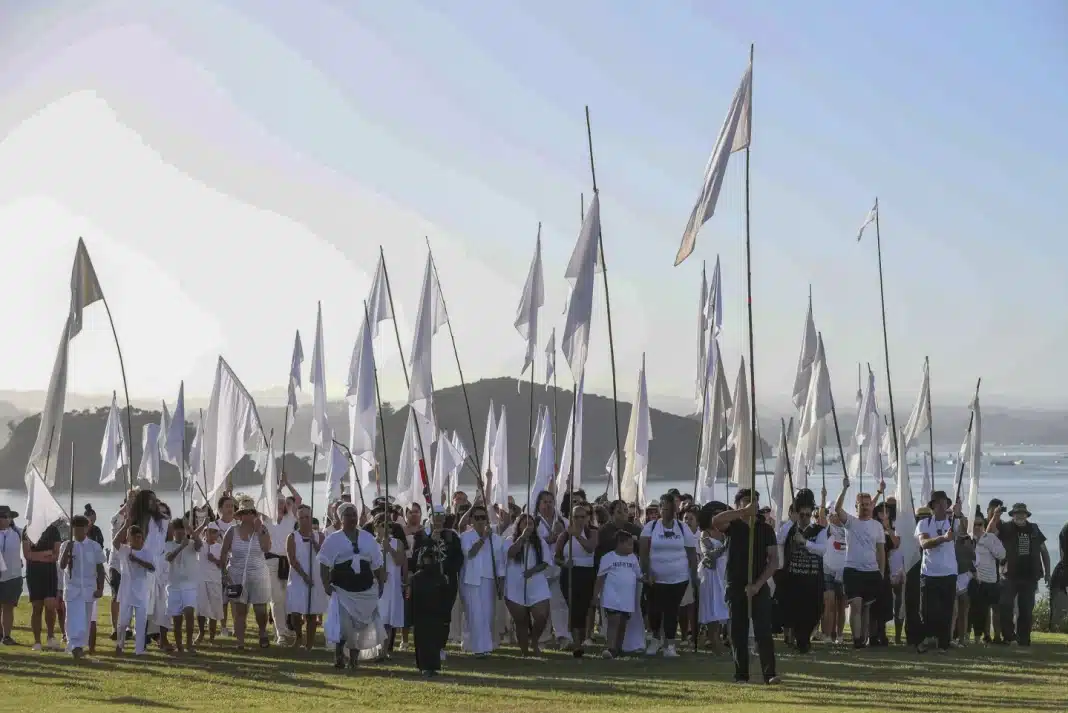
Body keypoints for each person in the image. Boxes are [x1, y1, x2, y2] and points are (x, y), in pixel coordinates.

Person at [711, 489, 780, 685]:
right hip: (736, 585)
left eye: (755, 501)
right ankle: (741, 675)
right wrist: (742, 513)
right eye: (748, 501)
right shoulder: (732, 525)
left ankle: (770, 674)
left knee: (763, 631)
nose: (753, 504)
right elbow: (716, 521)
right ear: (739, 504)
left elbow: (774, 561)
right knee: (738, 632)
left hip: (758, 585)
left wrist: (758, 585)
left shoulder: (765, 529)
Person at [319, 502, 386, 669]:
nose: (352, 518)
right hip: (343, 590)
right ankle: (339, 654)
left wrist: (381, 582)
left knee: (360, 627)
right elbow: (324, 563)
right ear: (340, 518)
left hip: (365, 590)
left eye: (354, 514)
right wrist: (326, 584)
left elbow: (377, 563)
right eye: (348, 515)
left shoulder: (367, 538)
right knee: (344, 626)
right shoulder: (333, 539)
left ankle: (354, 659)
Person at [639, 493, 698, 658]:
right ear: (660, 509)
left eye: (670, 508)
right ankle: (656, 639)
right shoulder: (650, 528)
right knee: (654, 611)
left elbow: (691, 554)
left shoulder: (682, 528)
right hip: (655, 579)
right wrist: (646, 572)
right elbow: (643, 554)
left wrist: (693, 577)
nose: (666, 511)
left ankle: (670, 645)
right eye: (663, 507)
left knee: (672, 611)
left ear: (675, 510)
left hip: (679, 578)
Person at [834, 476, 886, 649]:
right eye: (861, 504)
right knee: (855, 605)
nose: (864, 507)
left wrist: (882, 572)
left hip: (872, 572)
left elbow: (880, 551)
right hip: (853, 570)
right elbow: (837, 508)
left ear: (871, 505)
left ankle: (864, 637)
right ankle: (857, 641)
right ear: (856, 506)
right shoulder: (851, 522)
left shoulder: (877, 526)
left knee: (866, 608)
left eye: (867, 504)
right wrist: (844, 489)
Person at [219, 496, 272, 650]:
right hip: (236, 575)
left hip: (258, 574)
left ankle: (262, 633)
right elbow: (223, 553)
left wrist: (260, 530)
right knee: (239, 610)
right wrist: (224, 573)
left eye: (251, 512)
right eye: (245, 512)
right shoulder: (232, 531)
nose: (248, 515)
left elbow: (266, 548)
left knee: (260, 610)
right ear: (240, 515)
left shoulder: (262, 530)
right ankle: (240, 642)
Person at [778, 489, 827, 654]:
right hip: (793, 578)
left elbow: (822, 550)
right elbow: (778, 539)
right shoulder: (789, 529)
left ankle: (803, 640)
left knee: (813, 612)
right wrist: (792, 523)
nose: (805, 518)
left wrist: (805, 543)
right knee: (794, 612)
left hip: (812, 579)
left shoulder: (819, 531)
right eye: (802, 514)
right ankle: (799, 642)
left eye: (807, 514)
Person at [997, 503, 1051, 647]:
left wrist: (1047, 573)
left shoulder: (1034, 529)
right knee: (1005, 606)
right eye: (1017, 513)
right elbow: (990, 534)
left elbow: (1044, 551)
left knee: (1026, 609)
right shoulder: (1005, 528)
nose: (1020, 516)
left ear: (1027, 515)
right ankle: (1009, 637)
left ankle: (1024, 639)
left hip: (1030, 576)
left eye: (1023, 513)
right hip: (1009, 575)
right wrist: (996, 515)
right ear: (1012, 515)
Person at [915, 491, 959, 653]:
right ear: (932, 506)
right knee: (926, 609)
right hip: (929, 572)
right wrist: (942, 539)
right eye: (938, 503)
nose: (942, 506)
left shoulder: (953, 522)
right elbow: (924, 543)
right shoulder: (924, 523)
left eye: (944, 503)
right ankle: (927, 637)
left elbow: (963, 531)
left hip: (949, 572)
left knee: (947, 610)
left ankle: (943, 643)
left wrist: (959, 514)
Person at [504, 513, 552, 656]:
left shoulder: (540, 542)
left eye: (530, 523)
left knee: (541, 616)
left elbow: (545, 562)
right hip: (515, 584)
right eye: (524, 523)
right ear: (518, 526)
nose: (528, 526)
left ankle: (535, 640)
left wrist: (532, 571)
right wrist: (522, 538)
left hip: (536, 582)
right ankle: (525, 651)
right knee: (521, 620)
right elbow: (511, 554)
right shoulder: (509, 540)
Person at [459, 504, 505, 657]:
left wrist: (501, 584)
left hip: (489, 579)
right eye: (477, 518)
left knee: (487, 614)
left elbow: (499, 564)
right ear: (471, 520)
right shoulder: (465, 536)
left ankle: (480, 645)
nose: (480, 521)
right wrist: (484, 538)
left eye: (483, 518)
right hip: (471, 580)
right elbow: (470, 553)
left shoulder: (496, 539)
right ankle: (480, 648)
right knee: (474, 614)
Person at [59, 515, 106, 658]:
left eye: (81, 528)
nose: (78, 531)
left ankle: (80, 646)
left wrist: (100, 588)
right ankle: (74, 645)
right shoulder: (66, 545)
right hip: (73, 588)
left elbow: (100, 569)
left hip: (88, 589)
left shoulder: (94, 546)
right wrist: (67, 550)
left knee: (85, 620)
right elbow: (62, 566)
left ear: (87, 528)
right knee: (73, 618)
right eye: (75, 528)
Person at [556, 503, 598, 657]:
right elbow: (557, 557)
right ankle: (577, 644)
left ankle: (581, 638)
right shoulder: (565, 535)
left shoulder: (592, 532)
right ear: (571, 518)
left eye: (583, 516)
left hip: (587, 573)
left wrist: (578, 535)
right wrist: (564, 563)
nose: (580, 520)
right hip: (570, 573)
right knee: (573, 608)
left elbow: (590, 548)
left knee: (584, 608)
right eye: (576, 517)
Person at [264, 478, 301, 646]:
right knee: (276, 597)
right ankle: (281, 633)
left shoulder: (290, 518)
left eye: (283, 502)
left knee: (286, 597)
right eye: (276, 502)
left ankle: (285, 629)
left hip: (287, 562)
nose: (280, 505)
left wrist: (287, 483)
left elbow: (298, 499)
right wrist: (276, 487)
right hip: (270, 561)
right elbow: (263, 499)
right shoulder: (266, 518)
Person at [595, 529, 641, 659]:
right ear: (619, 544)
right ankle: (610, 647)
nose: (631, 547)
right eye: (629, 544)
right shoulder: (608, 558)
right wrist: (596, 595)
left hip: (627, 597)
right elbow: (600, 578)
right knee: (613, 621)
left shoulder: (633, 558)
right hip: (612, 596)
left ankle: (618, 648)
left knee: (622, 623)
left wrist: (646, 579)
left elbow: (638, 575)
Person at [286, 504, 326, 650]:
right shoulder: (292, 537)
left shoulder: (320, 536)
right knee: (296, 611)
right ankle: (298, 637)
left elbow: (323, 555)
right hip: (298, 577)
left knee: (311, 613)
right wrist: (304, 576)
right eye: (301, 517)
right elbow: (292, 560)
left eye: (307, 517)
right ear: (298, 519)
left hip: (315, 578)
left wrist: (313, 541)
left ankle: (309, 643)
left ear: (311, 517)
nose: (304, 520)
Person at [23, 515, 63, 651]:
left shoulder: (53, 530)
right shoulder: (27, 530)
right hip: (34, 575)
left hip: (50, 574)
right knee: (37, 607)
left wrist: (37, 556)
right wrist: (46, 554)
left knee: (50, 606)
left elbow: (56, 555)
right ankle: (37, 641)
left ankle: (50, 637)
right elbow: (27, 554)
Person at [410, 546, 450, 677]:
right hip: (421, 616)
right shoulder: (417, 578)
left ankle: (433, 666)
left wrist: (445, 616)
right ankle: (424, 666)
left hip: (436, 615)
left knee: (434, 642)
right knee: (422, 643)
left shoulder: (441, 578)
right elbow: (413, 599)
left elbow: (445, 599)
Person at [165, 518, 204, 653]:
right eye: (178, 530)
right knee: (177, 620)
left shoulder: (192, 543)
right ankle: (179, 646)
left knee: (189, 614)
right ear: (173, 531)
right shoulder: (168, 545)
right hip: (174, 586)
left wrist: (191, 531)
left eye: (183, 530)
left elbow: (199, 545)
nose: (181, 533)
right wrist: (181, 546)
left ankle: (189, 645)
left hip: (190, 586)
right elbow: (169, 558)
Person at [114, 525, 154, 655]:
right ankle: (120, 644)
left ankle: (139, 650)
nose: (138, 540)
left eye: (140, 537)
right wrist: (125, 524)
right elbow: (115, 541)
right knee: (123, 621)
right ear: (129, 538)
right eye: (135, 537)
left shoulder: (147, 552)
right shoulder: (125, 550)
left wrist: (137, 560)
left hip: (141, 591)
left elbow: (152, 568)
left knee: (141, 622)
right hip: (126, 591)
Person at [696, 502, 729, 653]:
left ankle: (720, 639)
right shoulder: (705, 534)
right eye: (716, 513)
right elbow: (709, 554)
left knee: (723, 606)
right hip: (709, 574)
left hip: (724, 573)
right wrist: (724, 546)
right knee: (712, 606)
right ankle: (713, 640)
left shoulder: (725, 532)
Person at [969, 511, 1005, 643]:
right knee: (979, 610)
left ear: (984, 525)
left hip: (991, 579)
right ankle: (983, 637)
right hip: (975, 580)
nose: (977, 527)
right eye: (974, 524)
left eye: (980, 524)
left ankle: (997, 636)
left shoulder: (990, 538)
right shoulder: (968, 539)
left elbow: (1001, 555)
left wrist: (988, 545)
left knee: (995, 609)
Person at [196, 523, 224, 643]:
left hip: (215, 581)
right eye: (209, 531)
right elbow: (192, 536)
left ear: (218, 533)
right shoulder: (199, 545)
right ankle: (201, 632)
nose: (211, 534)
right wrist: (203, 524)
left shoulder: (220, 547)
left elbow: (223, 564)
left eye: (214, 531)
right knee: (201, 608)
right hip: (201, 580)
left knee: (214, 609)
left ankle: (212, 634)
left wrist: (214, 559)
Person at [0, 505, 23, 645]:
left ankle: (7, 636)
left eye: (5, 517)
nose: (2, 520)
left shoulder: (18, 532)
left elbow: (35, 536)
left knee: (8, 607)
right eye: (0, 517)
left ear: (10, 519)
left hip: (12, 576)